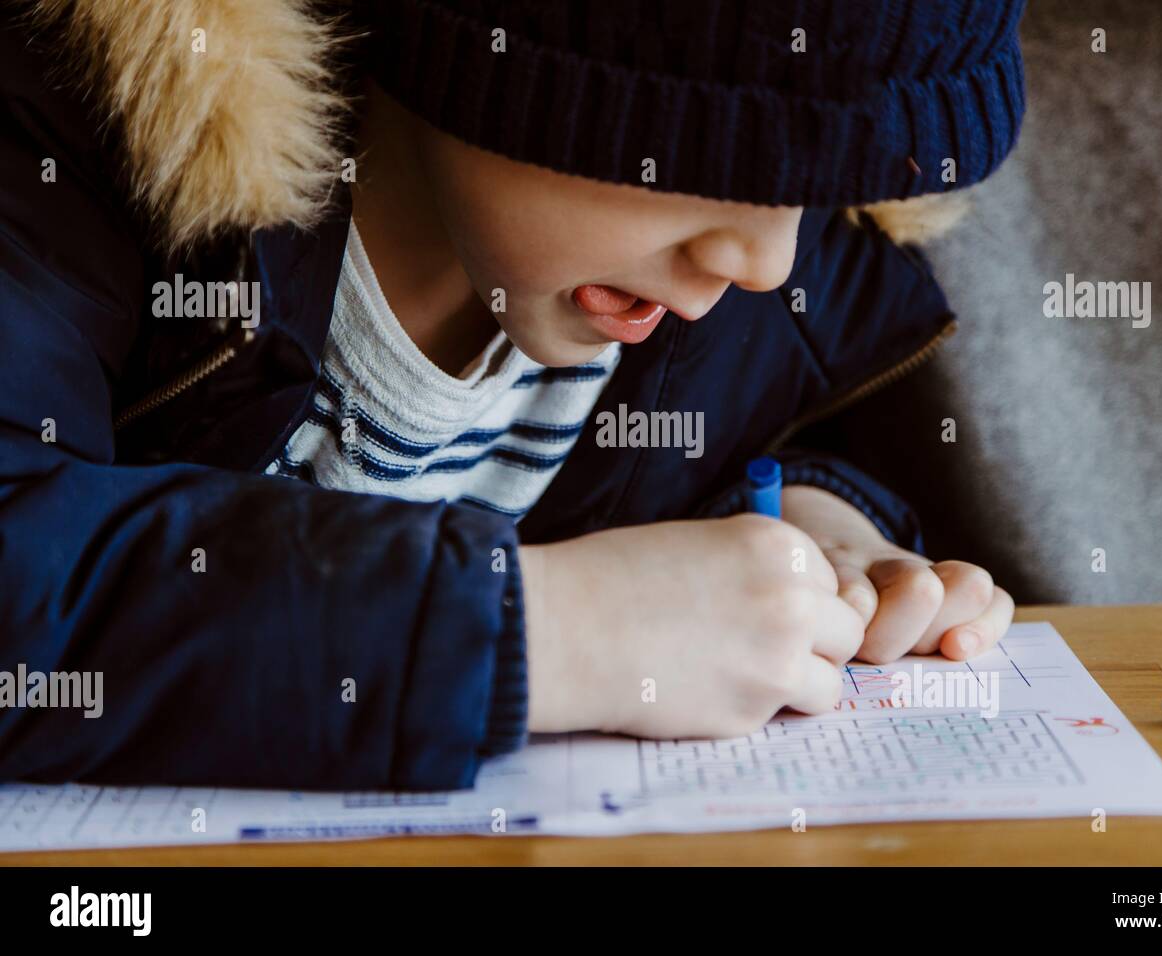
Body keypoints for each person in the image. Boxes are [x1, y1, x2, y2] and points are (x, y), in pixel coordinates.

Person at [0, 0, 1025, 790]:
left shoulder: (733, 302)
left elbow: (720, 461)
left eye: (808, 183)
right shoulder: (72, 143)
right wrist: (544, 627)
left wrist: (801, 522)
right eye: (713, 148)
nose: (764, 258)